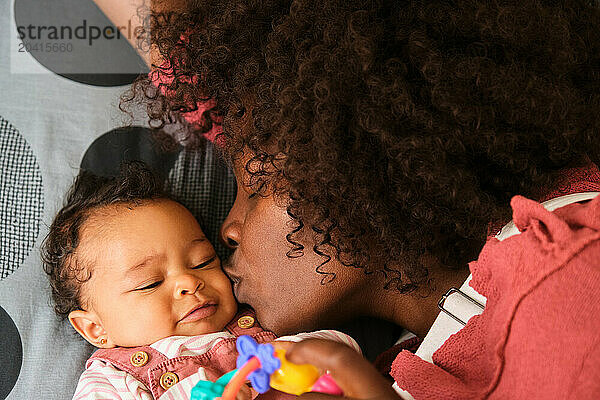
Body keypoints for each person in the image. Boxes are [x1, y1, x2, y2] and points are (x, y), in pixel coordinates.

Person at [126, 1, 600, 398]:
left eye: (256, 182)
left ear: (360, 155)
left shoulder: (571, 264)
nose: (225, 229)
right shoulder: (407, 365)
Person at [41, 162, 359, 400]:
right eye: (150, 282)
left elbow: (345, 352)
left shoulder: (260, 318)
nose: (189, 282)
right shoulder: (114, 378)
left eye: (202, 261)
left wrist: (289, 355)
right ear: (96, 328)